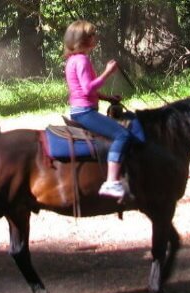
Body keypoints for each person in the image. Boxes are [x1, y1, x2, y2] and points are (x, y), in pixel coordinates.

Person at [63, 20, 131, 199]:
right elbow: (87, 89)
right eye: (92, 35)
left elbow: (80, 90)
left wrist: (108, 98)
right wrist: (108, 72)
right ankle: (111, 181)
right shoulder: (83, 60)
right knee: (122, 134)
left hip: (78, 110)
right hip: (85, 112)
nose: (95, 37)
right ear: (82, 39)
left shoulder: (72, 60)